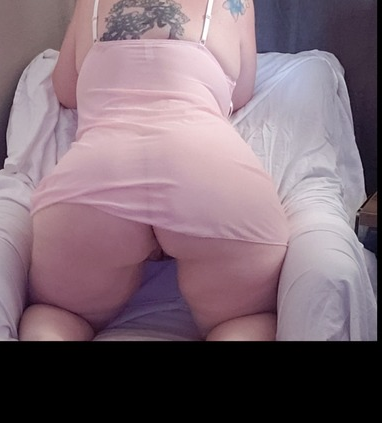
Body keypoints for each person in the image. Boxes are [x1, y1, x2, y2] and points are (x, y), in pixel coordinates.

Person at [18, 0, 289, 341]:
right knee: (245, 320)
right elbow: (243, 90)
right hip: (208, 172)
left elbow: (66, 90)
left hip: (101, 170)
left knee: (57, 315)